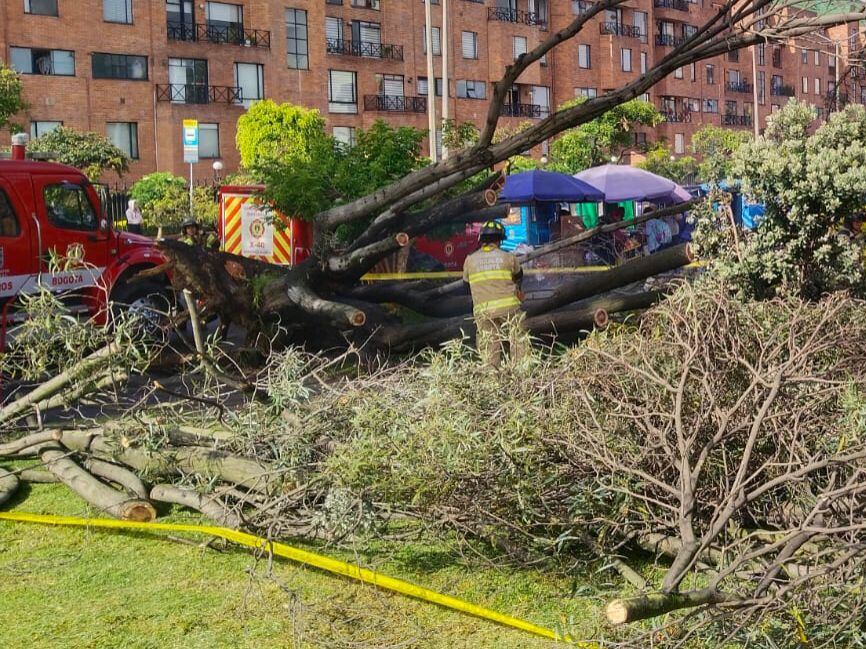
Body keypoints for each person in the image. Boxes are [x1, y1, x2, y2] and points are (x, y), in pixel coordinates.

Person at [463, 220, 526, 367]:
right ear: (499, 240)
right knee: (518, 339)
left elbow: (466, 286)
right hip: (509, 309)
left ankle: (492, 378)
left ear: (481, 239)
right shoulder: (508, 257)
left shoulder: (470, 260)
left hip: (483, 310)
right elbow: (519, 277)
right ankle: (522, 372)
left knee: (489, 345)